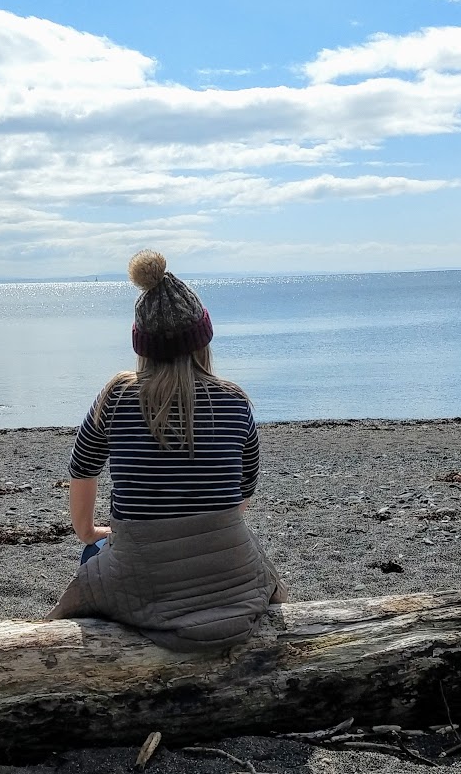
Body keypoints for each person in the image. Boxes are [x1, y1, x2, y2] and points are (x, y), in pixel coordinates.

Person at [47, 250, 286, 651]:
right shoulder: (233, 400)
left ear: (142, 343)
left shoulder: (118, 396)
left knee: (94, 554)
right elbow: (243, 495)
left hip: (140, 568)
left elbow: (83, 468)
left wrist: (88, 532)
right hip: (228, 565)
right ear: (203, 339)